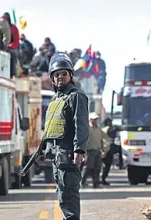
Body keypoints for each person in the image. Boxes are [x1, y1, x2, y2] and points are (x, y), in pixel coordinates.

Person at [43, 52, 89, 220]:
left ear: (70, 75)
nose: (60, 77)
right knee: (62, 195)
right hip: (57, 157)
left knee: (68, 196)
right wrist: (45, 150)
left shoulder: (76, 96)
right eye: (57, 74)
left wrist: (79, 151)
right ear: (52, 79)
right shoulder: (55, 99)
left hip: (69, 155)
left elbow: (81, 125)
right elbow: (50, 129)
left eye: (64, 73)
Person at [81, 112, 104, 188]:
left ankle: (96, 183)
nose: (95, 121)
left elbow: (101, 140)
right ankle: (82, 182)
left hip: (97, 151)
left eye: (96, 119)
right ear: (90, 120)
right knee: (88, 168)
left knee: (97, 168)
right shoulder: (87, 128)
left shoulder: (98, 129)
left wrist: (102, 150)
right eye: (94, 119)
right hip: (89, 151)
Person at [101, 117, 121, 185]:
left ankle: (100, 179)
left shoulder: (102, 129)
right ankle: (103, 179)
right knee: (107, 166)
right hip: (107, 149)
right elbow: (113, 132)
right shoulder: (109, 129)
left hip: (103, 149)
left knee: (100, 166)